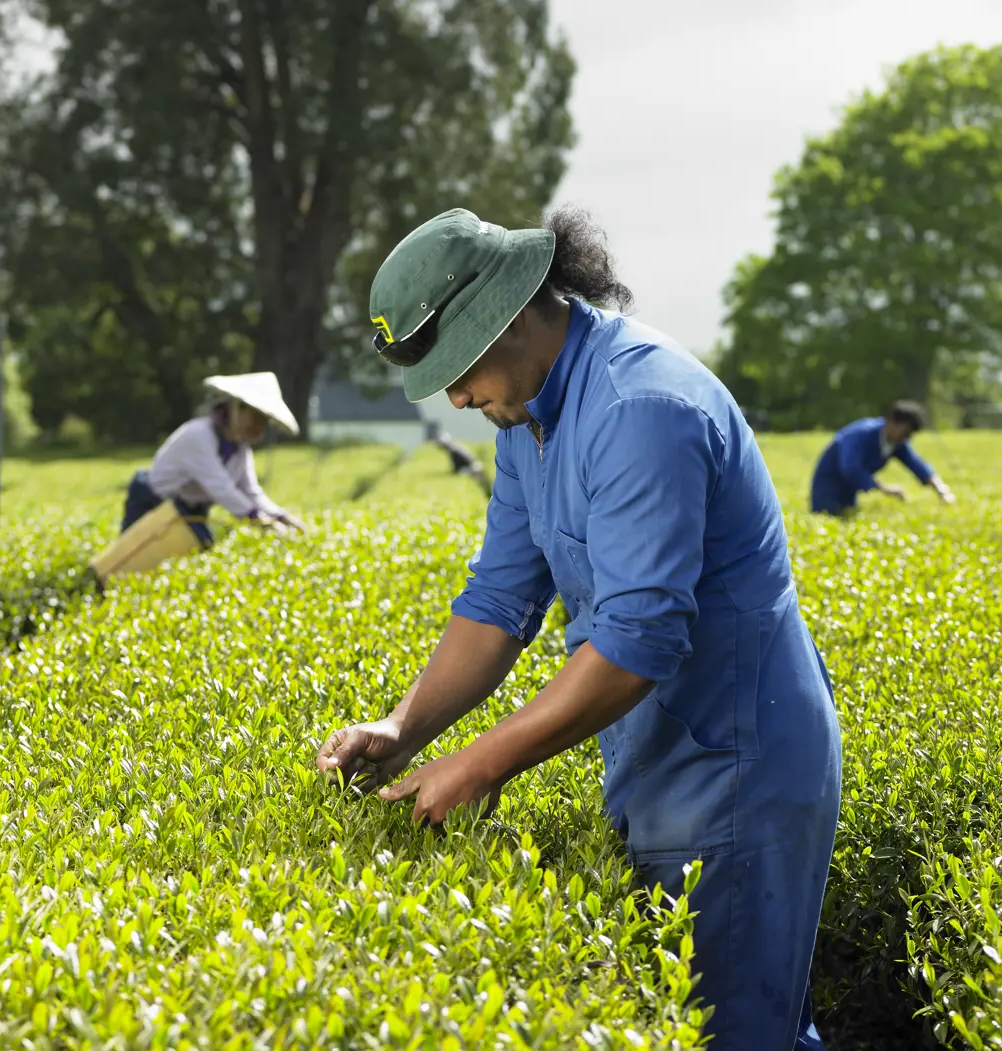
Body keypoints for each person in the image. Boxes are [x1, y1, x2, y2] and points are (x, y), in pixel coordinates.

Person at [316, 206, 842, 1050]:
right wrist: (406, 727)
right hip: (654, 756)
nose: (456, 396)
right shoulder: (525, 416)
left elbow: (638, 641)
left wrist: (482, 762)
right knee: (699, 1017)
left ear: (515, 313)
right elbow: (498, 599)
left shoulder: (642, 408)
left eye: (461, 368)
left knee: (739, 1028)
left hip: (736, 763)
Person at [122, 372, 307, 545]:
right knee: (125, 560)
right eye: (256, 417)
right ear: (237, 407)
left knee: (201, 546)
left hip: (189, 510)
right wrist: (254, 516)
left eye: (264, 421)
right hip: (152, 501)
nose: (260, 427)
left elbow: (251, 491)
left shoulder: (240, 450)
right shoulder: (198, 435)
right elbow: (220, 487)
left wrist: (281, 516)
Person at [809, 401, 955, 517]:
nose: (906, 438)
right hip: (828, 484)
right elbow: (850, 467)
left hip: (850, 488)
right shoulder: (862, 434)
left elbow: (916, 464)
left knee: (847, 516)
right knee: (827, 516)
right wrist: (884, 489)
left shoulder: (897, 443)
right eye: (905, 432)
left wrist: (942, 490)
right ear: (891, 422)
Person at [427, 422, 491, 496]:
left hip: (473, 468)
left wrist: (451, 474)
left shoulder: (453, 450)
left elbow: (457, 467)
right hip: (473, 466)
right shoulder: (454, 447)